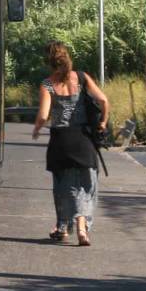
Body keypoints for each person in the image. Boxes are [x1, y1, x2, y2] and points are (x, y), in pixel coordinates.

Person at [31, 41, 109, 246]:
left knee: (63, 187)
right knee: (85, 185)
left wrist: (37, 129)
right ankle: (82, 229)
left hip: (61, 142)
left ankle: (63, 226)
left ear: (49, 62)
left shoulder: (48, 84)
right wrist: (103, 122)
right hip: (83, 140)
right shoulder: (81, 78)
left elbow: (43, 115)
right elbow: (103, 101)